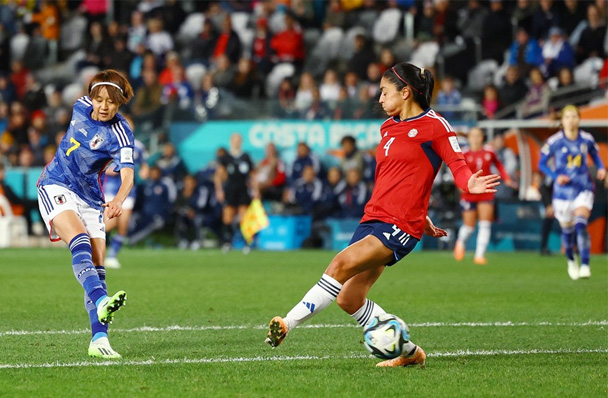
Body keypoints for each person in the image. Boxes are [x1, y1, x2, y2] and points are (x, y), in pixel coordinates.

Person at [265, 62, 500, 368]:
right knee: (348, 298)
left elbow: (457, 165)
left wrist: (470, 182)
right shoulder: (388, 127)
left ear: (405, 92)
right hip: (374, 217)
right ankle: (409, 352)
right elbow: (398, 176)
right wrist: (423, 212)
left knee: (339, 263)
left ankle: (287, 324)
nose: (379, 99)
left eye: (384, 91)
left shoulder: (435, 126)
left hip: (399, 225)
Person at [36, 69, 135, 359]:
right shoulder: (80, 105)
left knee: (98, 267)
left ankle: (99, 340)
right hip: (55, 182)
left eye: (111, 102)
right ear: (91, 98)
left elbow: (128, 176)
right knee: (78, 240)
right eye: (99, 99)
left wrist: (118, 200)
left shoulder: (121, 133)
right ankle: (102, 301)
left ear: (119, 104)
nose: (104, 106)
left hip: (91, 197)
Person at [538, 105, 606, 280]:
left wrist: (601, 169)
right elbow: (542, 164)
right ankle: (571, 260)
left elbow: (596, 157)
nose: (571, 120)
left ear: (579, 119)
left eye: (574, 116)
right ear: (562, 120)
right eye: (567, 117)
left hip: (583, 188)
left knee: (581, 223)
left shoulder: (586, 139)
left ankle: (585, 265)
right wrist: (555, 176)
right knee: (567, 232)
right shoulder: (554, 141)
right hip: (562, 193)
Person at [454, 127, 514, 265]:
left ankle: (479, 255)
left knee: (485, 224)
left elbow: (499, 165)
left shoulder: (489, 151)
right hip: (469, 192)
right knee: (469, 227)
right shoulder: (463, 153)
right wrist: (460, 185)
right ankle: (460, 242)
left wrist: (507, 179)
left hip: (485, 191)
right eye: (472, 136)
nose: (475, 138)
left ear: (483, 137)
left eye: (478, 136)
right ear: (469, 138)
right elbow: (457, 171)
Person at [103, 137, 148, 269]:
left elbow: (144, 164)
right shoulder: (107, 142)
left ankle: (112, 256)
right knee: (109, 223)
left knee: (123, 225)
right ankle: (88, 245)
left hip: (128, 189)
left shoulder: (137, 145)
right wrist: (111, 170)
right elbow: (100, 165)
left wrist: (145, 171)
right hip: (110, 189)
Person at [214, 133, 256, 253]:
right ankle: (227, 242)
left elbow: (253, 175)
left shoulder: (245, 156)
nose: (236, 142)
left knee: (243, 217)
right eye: (234, 140)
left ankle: (246, 243)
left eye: (238, 140)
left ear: (241, 141)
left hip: (243, 189)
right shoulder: (226, 157)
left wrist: (255, 190)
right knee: (228, 217)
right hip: (230, 189)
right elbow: (218, 176)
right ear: (231, 141)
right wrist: (219, 190)